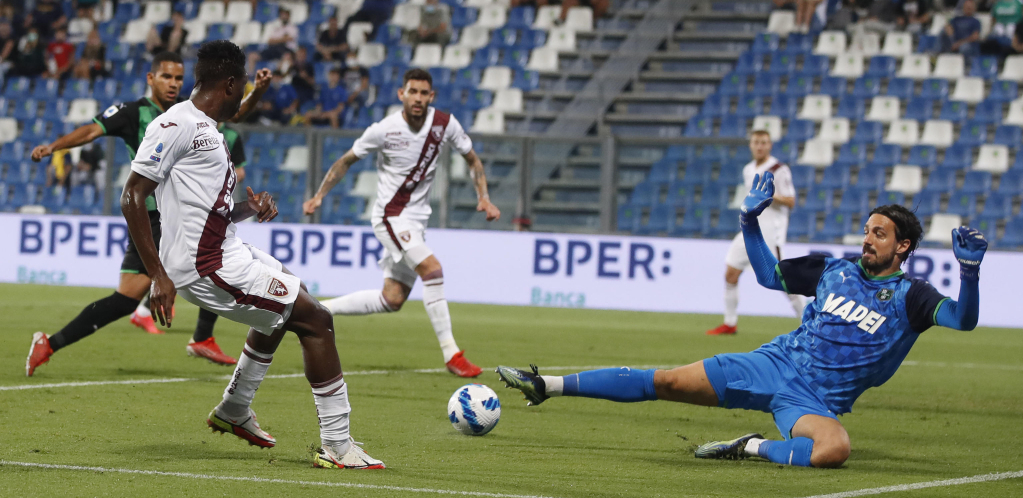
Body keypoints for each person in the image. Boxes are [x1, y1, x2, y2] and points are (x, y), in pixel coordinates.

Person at [498, 172, 986, 469]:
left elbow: (962, 320)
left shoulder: (913, 296)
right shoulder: (833, 269)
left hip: (812, 401)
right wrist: (749, 222)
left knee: (833, 449)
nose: (867, 239)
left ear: (903, 246)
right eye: (866, 230)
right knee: (666, 380)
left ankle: (750, 448)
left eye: (879, 234)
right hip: (774, 364)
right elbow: (771, 276)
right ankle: (547, 385)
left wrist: (968, 274)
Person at [119, 39, 384, 470]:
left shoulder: (206, 127)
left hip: (226, 249)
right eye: (241, 87)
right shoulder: (176, 124)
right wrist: (158, 275)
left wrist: (249, 207)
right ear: (228, 84)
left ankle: (234, 408)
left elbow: (208, 208)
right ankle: (338, 445)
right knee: (316, 320)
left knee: (290, 297)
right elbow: (132, 195)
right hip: (206, 266)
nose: (242, 96)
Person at [25, 52, 273, 375]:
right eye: (166, 77)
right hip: (153, 216)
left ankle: (48, 344)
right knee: (212, 259)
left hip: (167, 216)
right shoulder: (133, 112)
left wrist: (258, 91)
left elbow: (234, 113)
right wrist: (54, 147)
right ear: (150, 78)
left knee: (127, 298)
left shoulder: (190, 110)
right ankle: (202, 337)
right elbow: (90, 131)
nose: (173, 84)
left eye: (178, 78)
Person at [302, 68, 500, 378]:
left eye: (424, 93)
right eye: (413, 92)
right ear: (401, 94)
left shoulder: (444, 124)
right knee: (432, 270)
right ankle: (452, 354)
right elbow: (345, 161)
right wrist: (318, 196)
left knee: (391, 299)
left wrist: (484, 197)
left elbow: (473, 159)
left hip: (416, 222)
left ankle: (316, 310)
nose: (418, 98)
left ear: (431, 96)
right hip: (390, 217)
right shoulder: (384, 129)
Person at [706, 130, 803, 336]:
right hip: (749, 228)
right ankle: (730, 323)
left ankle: (810, 324)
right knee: (731, 272)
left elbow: (791, 201)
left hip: (770, 233)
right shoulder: (748, 169)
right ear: (750, 145)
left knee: (784, 281)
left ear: (770, 145)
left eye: (764, 143)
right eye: (756, 142)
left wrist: (770, 196)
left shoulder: (779, 169)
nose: (760, 146)